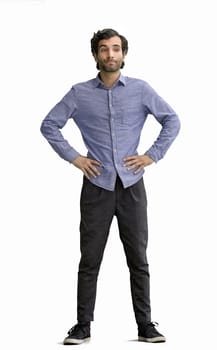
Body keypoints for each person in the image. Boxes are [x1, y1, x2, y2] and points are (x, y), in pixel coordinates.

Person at [40, 28, 180, 345]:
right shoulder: (78, 93)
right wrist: (75, 158)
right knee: (89, 259)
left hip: (132, 186)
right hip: (96, 186)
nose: (110, 55)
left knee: (138, 259)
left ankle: (145, 325)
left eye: (116, 49)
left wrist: (151, 155)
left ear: (124, 54)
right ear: (95, 56)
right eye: (104, 49)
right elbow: (49, 124)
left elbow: (172, 120)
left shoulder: (141, 90)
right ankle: (82, 326)